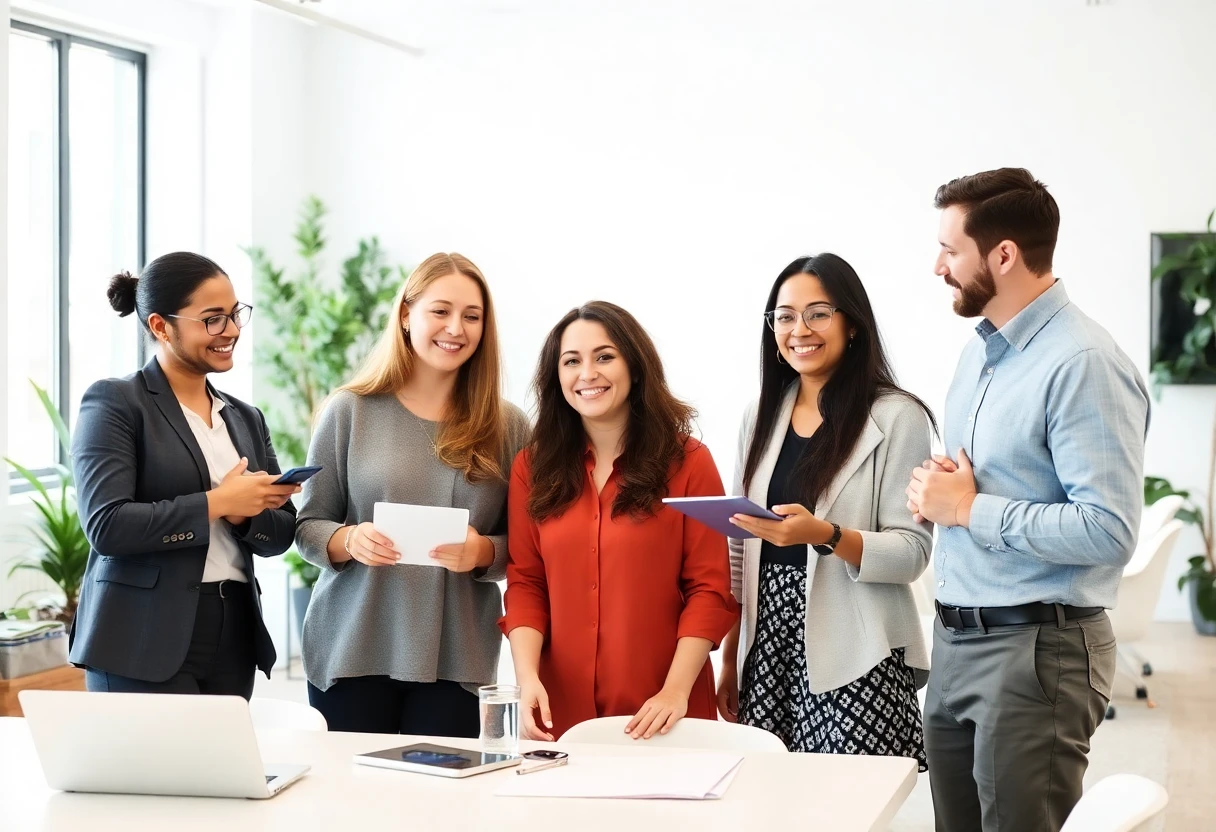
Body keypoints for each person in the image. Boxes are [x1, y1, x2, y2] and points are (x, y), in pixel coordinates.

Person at [906, 168, 1150, 831]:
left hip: (1036, 652)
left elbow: (1107, 530)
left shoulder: (1083, 362)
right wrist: (939, 493)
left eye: (950, 250)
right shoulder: (980, 355)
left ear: (1004, 254)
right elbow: (994, 482)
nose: (937, 266)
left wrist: (967, 509)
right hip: (956, 640)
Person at [295, 252, 529, 736]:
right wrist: (349, 540)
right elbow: (308, 525)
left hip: (457, 657)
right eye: (440, 311)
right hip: (353, 648)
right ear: (406, 314)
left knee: (443, 808)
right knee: (353, 805)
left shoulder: (507, 427)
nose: (456, 328)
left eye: (472, 316)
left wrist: (484, 551)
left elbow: (531, 547)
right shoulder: (349, 411)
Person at [717, 254, 934, 769]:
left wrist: (828, 536)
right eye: (785, 316)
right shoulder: (760, 415)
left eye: (818, 313)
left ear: (852, 323)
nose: (800, 330)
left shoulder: (898, 416)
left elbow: (912, 552)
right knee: (768, 801)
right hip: (767, 646)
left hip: (857, 646)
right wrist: (729, 658)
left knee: (849, 805)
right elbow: (737, 546)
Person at [502, 301, 739, 742]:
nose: (587, 373)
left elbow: (708, 590)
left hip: (665, 715)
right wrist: (527, 679)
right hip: (562, 715)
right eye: (571, 361)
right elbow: (526, 583)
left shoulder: (689, 462)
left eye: (604, 357)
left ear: (635, 365)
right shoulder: (530, 468)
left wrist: (674, 691)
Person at [71, 252, 299, 697]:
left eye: (235, 315)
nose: (231, 330)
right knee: (151, 769)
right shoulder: (116, 403)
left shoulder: (246, 418)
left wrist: (245, 515)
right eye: (213, 319)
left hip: (232, 631)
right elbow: (107, 526)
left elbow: (282, 533)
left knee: (216, 769)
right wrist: (219, 503)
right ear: (160, 326)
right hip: (141, 635)